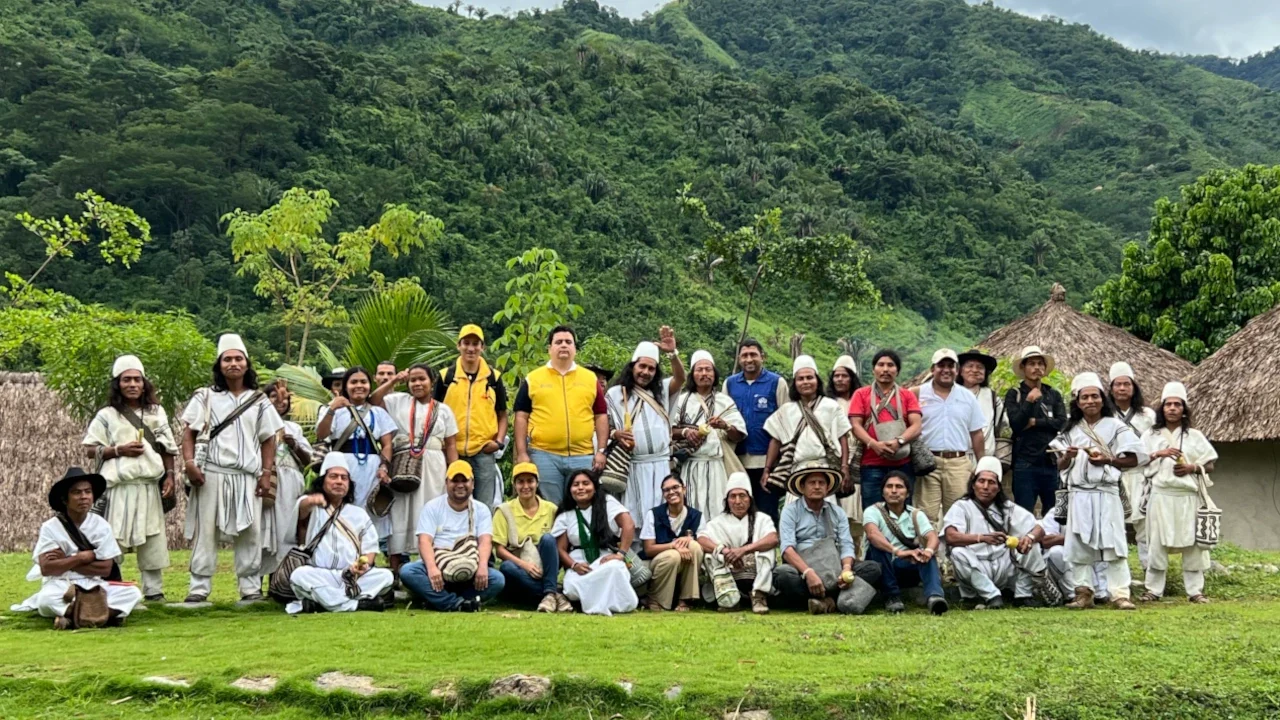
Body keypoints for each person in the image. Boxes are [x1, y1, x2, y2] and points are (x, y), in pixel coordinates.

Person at [180, 334, 283, 604]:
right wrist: (189, 464)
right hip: (211, 472)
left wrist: (266, 473)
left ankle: (250, 587)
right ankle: (199, 587)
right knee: (205, 531)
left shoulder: (259, 400)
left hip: (247, 475)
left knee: (251, 531)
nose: (233, 364)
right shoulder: (204, 397)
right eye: (228, 359)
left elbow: (268, 439)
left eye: (238, 359)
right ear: (219, 364)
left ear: (247, 364)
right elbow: (188, 433)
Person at [81, 355, 177, 602]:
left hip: (148, 485)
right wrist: (118, 450)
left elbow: (167, 448)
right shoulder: (107, 415)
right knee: (113, 538)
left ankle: (154, 591)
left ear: (144, 384)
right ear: (118, 384)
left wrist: (170, 476)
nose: (132, 384)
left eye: (137, 379)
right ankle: (112, 588)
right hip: (118, 487)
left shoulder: (156, 412)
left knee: (153, 537)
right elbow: (90, 448)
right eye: (126, 380)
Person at [1053, 372, 1145, 610]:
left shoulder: (1116, 427)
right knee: (1078, 545)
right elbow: (1059, 465)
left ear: (1103, 400)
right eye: (1085, 397)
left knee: (1114, 543)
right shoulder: (1070, 430)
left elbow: (1135, 458)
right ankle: (1083, 592)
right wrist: (1067, 457)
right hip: (1079, 494)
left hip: (1106, 492)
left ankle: (1120, 594)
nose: (1090, 401)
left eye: (1095, 396)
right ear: (1077, 402)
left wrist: (1108, 460)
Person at [11, 468, 142, 628]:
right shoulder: (50, 528)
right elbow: (47, 568)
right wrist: (81, 558)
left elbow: (105, 569)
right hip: (61, 583)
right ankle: (104, 616)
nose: (84, 497)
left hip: (94, 583)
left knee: (133, 593)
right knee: (46, 600)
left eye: (88, 491)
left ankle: (73, 618)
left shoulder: (101, 526)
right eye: (76, 492)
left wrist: (66, 561)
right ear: (65, 499)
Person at [374, 364, 459, 576]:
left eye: (422, 379)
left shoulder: (444, 410)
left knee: (431, 511)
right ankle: (395, 571)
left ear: (432, 382)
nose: (417, 384)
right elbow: (373, 401)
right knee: (400, 513)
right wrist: (394, 380)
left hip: (434, 466)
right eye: (413, 380)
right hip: (403, 464)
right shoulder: (397, 401)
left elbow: (451, 445)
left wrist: (454, 473)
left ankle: (431, 568)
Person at [513, 325, 609, 506]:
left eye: (568, 342)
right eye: (558, 342)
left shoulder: (590, 378)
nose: (563, 345)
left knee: (582, 505)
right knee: (550, 507)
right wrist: (522, 453)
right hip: (543, 454)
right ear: (549, 348)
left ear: (575, 348)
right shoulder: (533, 379)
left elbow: (601, 415)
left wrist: (601, 451)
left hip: (583, 455)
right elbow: (521, 416)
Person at [287, 453, 394, 614]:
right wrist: (312, 500)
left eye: (344, 478)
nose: (339, 481)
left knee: (386, 576)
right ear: (322, 481)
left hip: (352, 576)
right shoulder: (313, 508)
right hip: (320, 574)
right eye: (333, 477)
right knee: (299, 575)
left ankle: (323, 603)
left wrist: (363, 566)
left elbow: (370, 548)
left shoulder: (358, 514)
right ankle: (356, 604)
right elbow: (302, 508)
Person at [1139, 381, 1216, 604]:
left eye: (1177, 404)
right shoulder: (1150, 436)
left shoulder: (1195, 436)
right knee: (1156, 543)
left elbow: (1210, 464)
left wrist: (1192, 467)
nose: (1172, 408)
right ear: (1162, 408)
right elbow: (1139, 460)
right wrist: (1159, 454)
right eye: (1168, 404)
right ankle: (1153, 590)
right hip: (1161, 495)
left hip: (1187, 497)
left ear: (1184, 409)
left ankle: (1195, 591)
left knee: (1193, 544)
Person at [942, 457, 1050, 609]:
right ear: (973, 485)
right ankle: (992, 596)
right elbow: (950, 536)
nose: (985, 487)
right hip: (976, 567)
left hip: (1004, 567)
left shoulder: (1007, 508)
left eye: (991, 482)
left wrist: (1029, 538)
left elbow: (1039, 528)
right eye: (981, 481)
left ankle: (1023, 596)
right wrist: (981, 538)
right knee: (957, 552)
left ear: (998, 488)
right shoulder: (961, 506)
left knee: (1030, 545)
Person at [775, 460, 881, 615]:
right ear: (802, 487)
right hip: (803, 570)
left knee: (873, 568)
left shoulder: (837, 512)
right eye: (812, 483)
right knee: (783, 574)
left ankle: (825, 602)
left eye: (821, 483)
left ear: (828, 487)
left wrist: (846, 570)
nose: (817, 486)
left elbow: (846, 544)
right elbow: (787, 550)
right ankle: (834, 599)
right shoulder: (790, 511)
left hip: (834, 569)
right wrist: (808, 573)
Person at [606, 332, 684, 534]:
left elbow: (680, 378)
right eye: (642, 366)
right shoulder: (616, 393)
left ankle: (660, 546)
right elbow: (604, 426)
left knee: (662, 512)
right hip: (632, 465)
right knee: (633, 513)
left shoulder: (662, 391)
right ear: (633, 366)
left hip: (660, 464)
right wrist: (616, 434)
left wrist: (672, 354)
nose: (645, 372)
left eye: (651, 368)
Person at [400, 461, 505, 611]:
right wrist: (432, 568)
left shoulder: (481, 509)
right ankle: (458, 603)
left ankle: (439, 599)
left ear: (473, 483)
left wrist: (482, 566)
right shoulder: (432, 507)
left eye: (464, 480)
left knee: (497, 579)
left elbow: (485, 541)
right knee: (408, 571)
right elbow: (424, 541)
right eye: (455, 481)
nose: (460, 485)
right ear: (446, 483)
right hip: (438, 568)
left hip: (469, 568)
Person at [316, 367, 396, 540]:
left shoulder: (378, 413)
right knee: (342, 505)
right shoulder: (334, 410)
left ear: (369, 385)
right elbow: (321, 434)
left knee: (369, 508)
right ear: (346, 386)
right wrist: (332, 409)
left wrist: (384, 466)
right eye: (353, 382)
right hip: (343, 466)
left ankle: (369, 549)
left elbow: (387, 444)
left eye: (363, 382)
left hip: (372, 468)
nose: (359, 386)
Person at [436, 324, 508, 508]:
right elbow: (434, 413)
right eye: (466, 343)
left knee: (484, 505)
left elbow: (502, 414)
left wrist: (498, 442)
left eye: (475, 344)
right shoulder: (446, 377)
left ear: (482, 347)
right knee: (452, 504)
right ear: (458, 345)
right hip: (452, 450)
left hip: (483, 452)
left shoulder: (493, 378)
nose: (471, 348)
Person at [669, 350, 745, 518]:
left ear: (714, 374)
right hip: (689, 465)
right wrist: (686, 432)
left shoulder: (724, 401)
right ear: (692, 375)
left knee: (718, 510)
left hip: (716, 466)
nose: (704, 373)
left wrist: (725, 426)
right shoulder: (682, 400)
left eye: (708, 369)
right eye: (700, 369)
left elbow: (739, 435)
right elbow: (669, 431)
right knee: (690, 509)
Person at [552, 470, 639, 616]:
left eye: (586, 483)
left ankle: (596, 601)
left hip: (605, 558)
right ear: (570, 490)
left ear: (594, 487)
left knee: (615, 568)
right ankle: (602, 602)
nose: (581, 488)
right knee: (571, 586)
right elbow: (560, 549)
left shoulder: (607, 502)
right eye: (576, 485)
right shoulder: (566, 513)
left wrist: (620, 554)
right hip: (579, 561)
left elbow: (628, 524)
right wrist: (574, 565)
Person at [764, 355, 851, 501]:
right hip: (796, 472)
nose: (805, 382)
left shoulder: (831, 406)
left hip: (825, 471)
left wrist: (844, 467)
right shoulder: (786, 410)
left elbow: (843, 438)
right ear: (795, 383)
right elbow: (775, 440)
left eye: (809, 378)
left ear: (817, 380)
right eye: (801, 379)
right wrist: (767, 469)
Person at [916, 349, 985, 527]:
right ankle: (928, 546)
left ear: (957, 370)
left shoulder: (967, 397)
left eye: (950, 366)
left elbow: (977, 433)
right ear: (932, 369)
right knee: (925, 516)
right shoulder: (917, 393)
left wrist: (982, 465)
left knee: (957, 515)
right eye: (941, 365)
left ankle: (953, 546)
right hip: (928, 462)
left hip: (958, 463)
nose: (946, 370)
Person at [862, 471, 947, 615]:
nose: (894, 491)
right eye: (889, 486)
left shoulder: (915, 514)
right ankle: (891, 597)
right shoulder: (872, 511)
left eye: (899, 487)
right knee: (878, 546)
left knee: (926, 555)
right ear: (883, 492)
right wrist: (898, 552)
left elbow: (932, 537)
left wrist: (928, 551)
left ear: (907, 493)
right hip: (881, 568)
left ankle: (935, 597)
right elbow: (872, 534)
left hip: (905, 567)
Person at [724, 338, 790, 521]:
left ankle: (768, 540)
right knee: (740, 512)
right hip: (737, 461)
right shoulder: (730, 384)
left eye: (753, 354)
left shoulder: (777, 382)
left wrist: (780, 461)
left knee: (767, 514)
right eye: (744, 355)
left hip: (767, 461)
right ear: (739, 359)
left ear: (763, 357)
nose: (749, 359)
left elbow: (786, 423)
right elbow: (725, 417)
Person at [697, 473, 778, 614]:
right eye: (733, 496)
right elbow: (702, 539)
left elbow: (773, 539)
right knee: (710, 555)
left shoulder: (762, 519)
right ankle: (728, 598)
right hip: (730, 572)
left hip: (756, 571)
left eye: (742, 496)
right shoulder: (717, 522)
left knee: (767, 550)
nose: (738, 501)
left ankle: (759, 595)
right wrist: (724, 551)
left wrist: (744, 550)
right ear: (727, 500)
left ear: (750, 499)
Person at [850, 349, 922, 508]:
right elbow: (855, 425)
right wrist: (873, 444)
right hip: (871, 464)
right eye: (881, 365)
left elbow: (916, 425)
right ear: (873, 369)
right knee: (872, 511)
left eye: (890, 365)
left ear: (897, 370)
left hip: (903, 464)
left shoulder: (907, 395)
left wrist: (899, 441)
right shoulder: (861, 394)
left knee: (902, 510)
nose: (885, 369)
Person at [492, 462, 564, 612]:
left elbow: (558, 545)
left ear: (537, 483)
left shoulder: (551, 509)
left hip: (545, 564)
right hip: (520, 565)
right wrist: (524, 565)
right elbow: (499, 550)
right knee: (506, 567)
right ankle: (553, 593)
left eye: (530, 481)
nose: (526, 486)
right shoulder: (504, 510)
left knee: (548, 539)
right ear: (514, 485)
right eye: (521, 482)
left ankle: (548, 593)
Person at [1004, 346, 1067, 513]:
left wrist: (1035, 422)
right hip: (1025, 462)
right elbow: (1016, 424)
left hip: (1051, 462)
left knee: (1054, 515)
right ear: (1023, 368)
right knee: (1023, 513)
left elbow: (1061, 422)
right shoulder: (1015, 394)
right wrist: (1029, 401)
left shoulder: (1053, 394)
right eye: (1031, 364)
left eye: (1040, 364)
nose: (1036, 367)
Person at [261, 380, 313, 579]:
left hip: (290, 486)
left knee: (285, 532)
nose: (280, 401)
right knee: (263, 533)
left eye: (284, 397)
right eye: (274, 396)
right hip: (266, 483)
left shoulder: (294, 428)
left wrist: (294, 445)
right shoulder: (257, 425)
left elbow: (308, 461)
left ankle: (278, 582)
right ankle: (254, 585)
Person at [1107, 361, 1157, 567]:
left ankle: (1149, 569)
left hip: (1140, 475)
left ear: (1134, 387)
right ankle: (1117, 572)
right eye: (1117, 384)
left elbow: (1155, 442)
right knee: (1114, 524)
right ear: (1111, 389)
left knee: (1145, 525)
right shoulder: (1105, 415)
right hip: (1113, 475)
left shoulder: (1147, 415)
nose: (1122, 388)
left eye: (1126, 384)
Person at [641, 475, 704, 612]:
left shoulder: (696, 516)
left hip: (684, 563)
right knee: (673, 556)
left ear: (684, 489)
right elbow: (648, 549)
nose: (671, 492)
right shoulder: (654, 514)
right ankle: (657, 600)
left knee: (694, 546)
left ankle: (685, 600)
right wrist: (673, 546)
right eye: (666, 490)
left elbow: (702, 542)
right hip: (657, 561)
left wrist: (690, 539)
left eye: (675, 487)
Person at [1028, 512, 1107, 605]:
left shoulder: (1097, 512)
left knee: (1103, 550)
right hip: (1064, 565)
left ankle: (1101, 594)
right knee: (1057, 552)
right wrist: (1075, 539)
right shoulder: (1056, 512)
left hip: (1092, 562)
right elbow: (1046, 540)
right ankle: (1073, 596)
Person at [827, 355, 864, 537]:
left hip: (857, 460)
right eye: (837, 376)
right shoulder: (826, 403)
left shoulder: (861, 402)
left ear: (852, 378)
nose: (840, 380)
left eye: (844, 376)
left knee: (855, 518)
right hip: (832, 459)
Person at [957, 349, 1007, 482]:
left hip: (986, 458)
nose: (975, 370)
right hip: (957, 459)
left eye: (980, 367)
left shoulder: (992, 397)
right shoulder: (951, 394)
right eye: (970, 366)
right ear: (960, 371)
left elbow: (1003, 425)